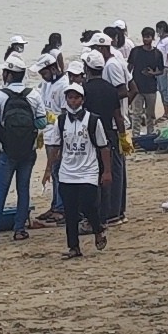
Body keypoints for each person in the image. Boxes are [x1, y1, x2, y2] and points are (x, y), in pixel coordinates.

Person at [0, 63, 43, 243]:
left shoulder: (0, 95)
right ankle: (19, 229)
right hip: (28, 150)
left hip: (7, 151)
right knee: (23, 190)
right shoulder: (34, 94)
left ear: (8, 75)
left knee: (0, 191)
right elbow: (42, 122)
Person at [53, 80, 114, 256]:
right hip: (67, 171)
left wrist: (107, 171)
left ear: (82, 99)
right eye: (70, 97)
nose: (73, 101)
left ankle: (97, 229)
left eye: (76, 97)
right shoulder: (61, 121)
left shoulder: (93, 120)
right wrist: (49, 169)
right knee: (70, 211)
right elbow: (56, 146)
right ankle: (73, 246)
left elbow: (103, 147)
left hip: (88, 170)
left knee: (88, 205)